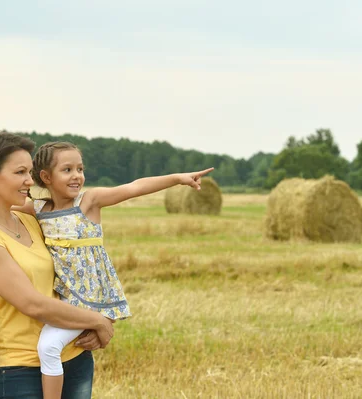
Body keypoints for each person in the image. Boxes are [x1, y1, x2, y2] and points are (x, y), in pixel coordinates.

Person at [15, 141, 213, 399]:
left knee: (48, 346)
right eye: (67, 170)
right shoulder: (39, 209)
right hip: (63, 298)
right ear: (46, 177)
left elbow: (134, 188)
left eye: (80, 168)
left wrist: (178, 178)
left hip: (89, 299)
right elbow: (1, 210)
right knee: (49, 346)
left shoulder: (89, 201)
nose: (77, 176)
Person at [0, 132, 115, 399]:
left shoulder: (31, 221)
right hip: (24, 368)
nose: (30, 181)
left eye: (30, 172)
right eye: (20, 172)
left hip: (74, 355)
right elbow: (32, 304)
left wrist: (96, 320)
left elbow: (75, 271)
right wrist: (99, 321)